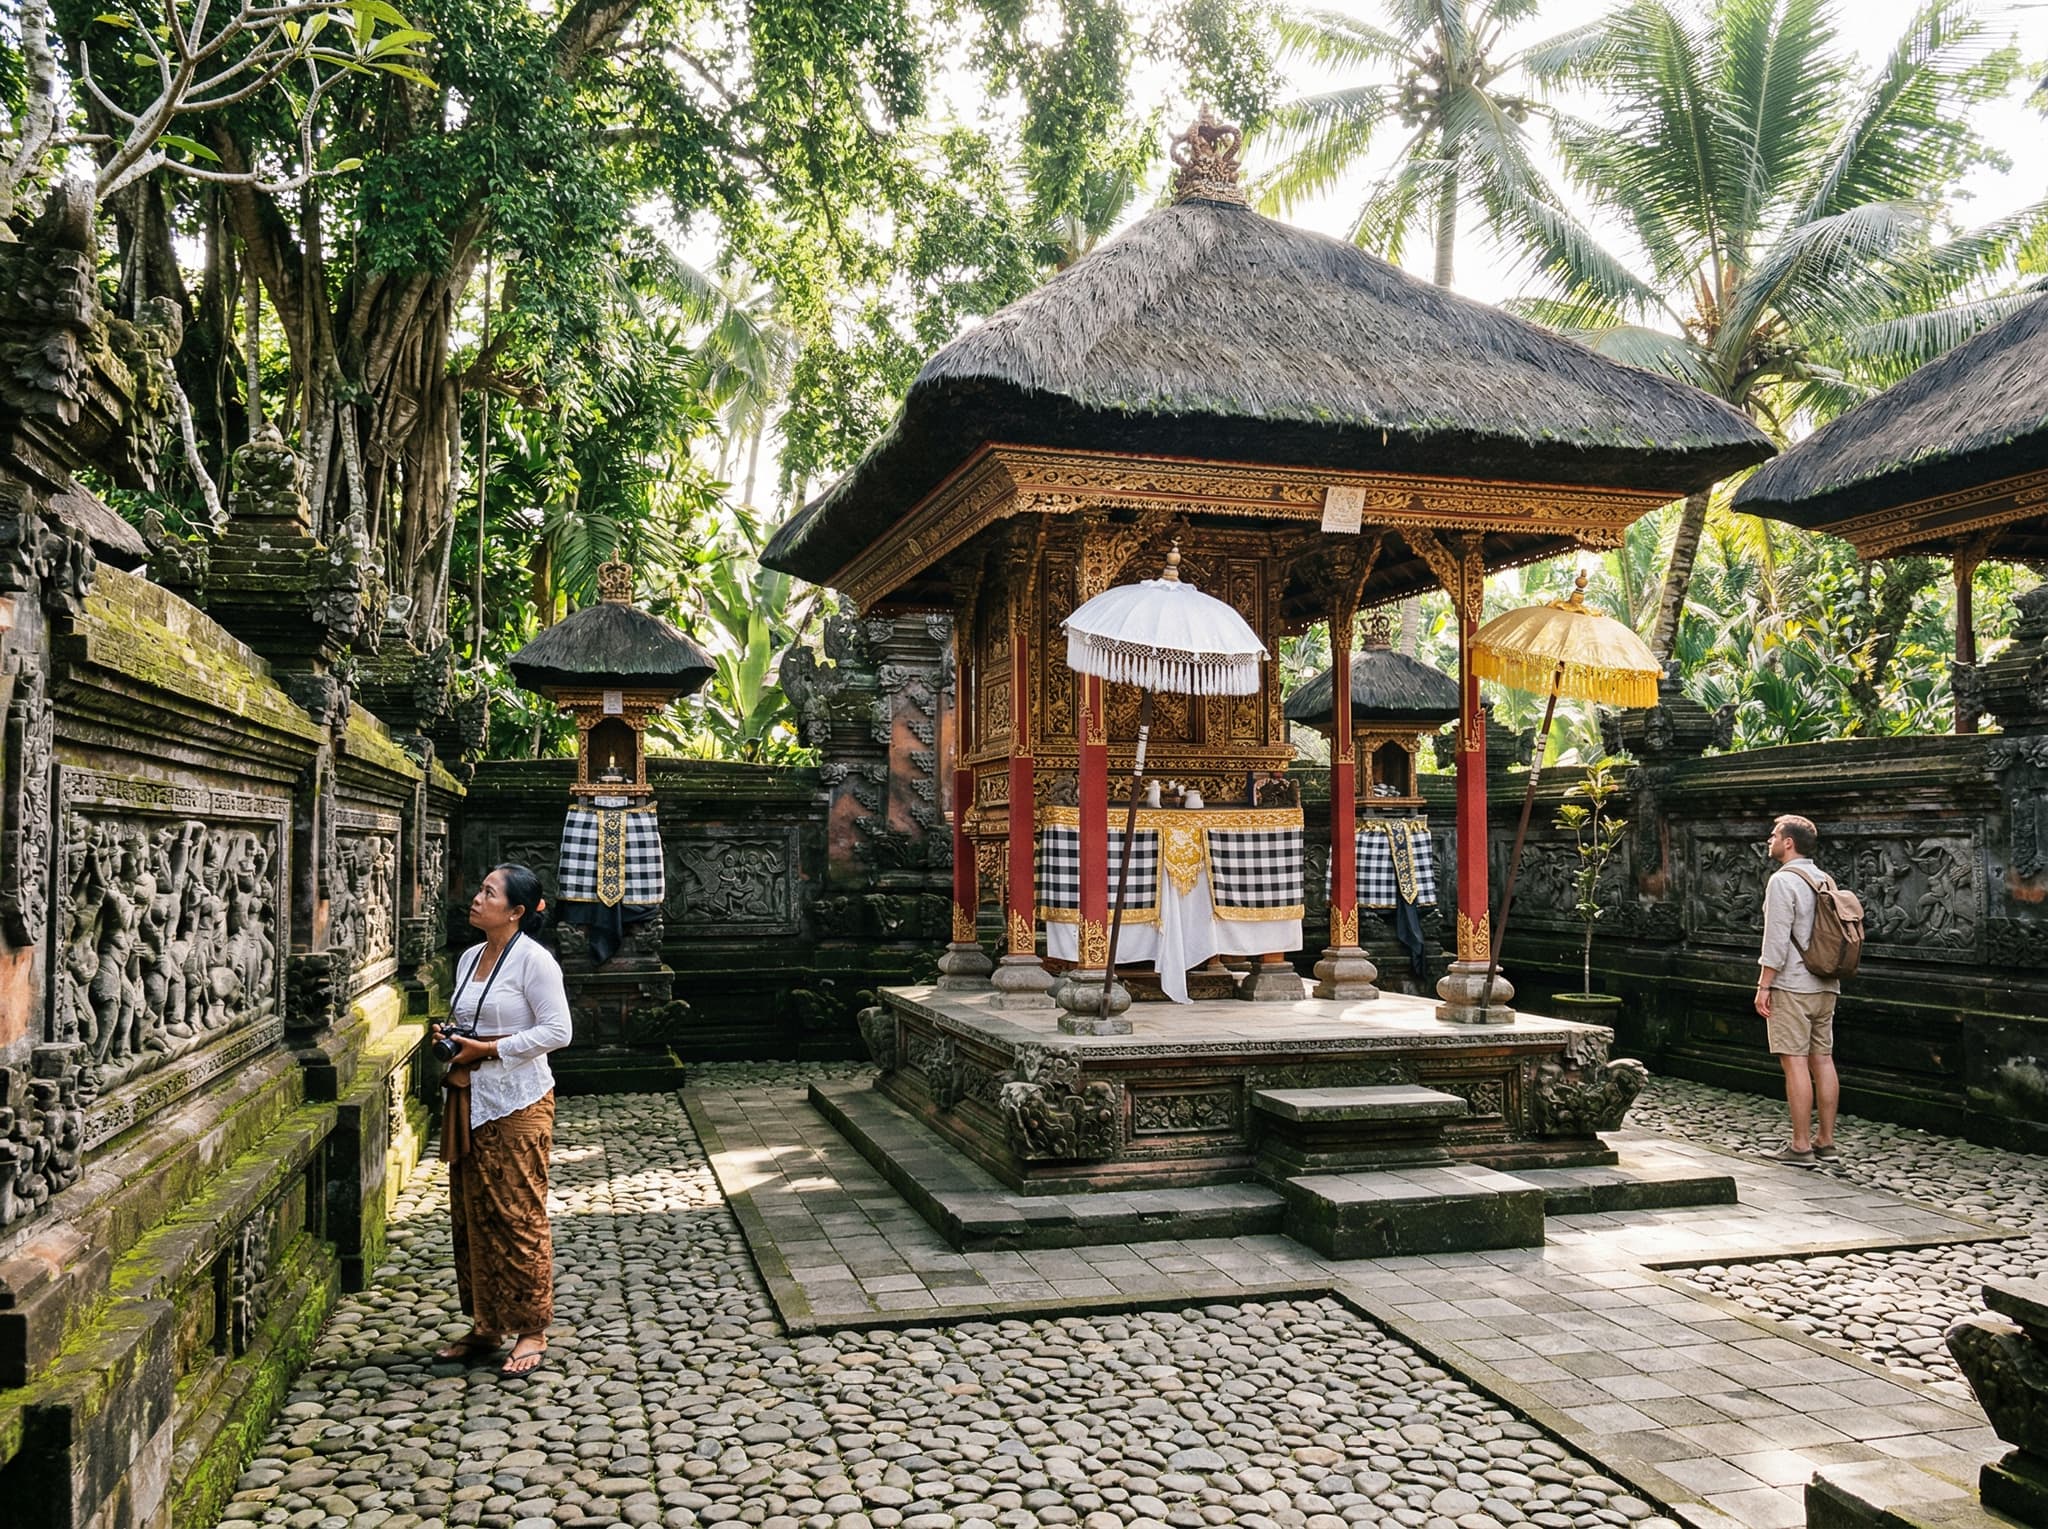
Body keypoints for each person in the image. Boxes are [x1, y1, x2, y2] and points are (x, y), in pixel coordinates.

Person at [433, 863, 571, 1379]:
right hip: (471, 1099)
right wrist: (450, 1036)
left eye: (488, 893)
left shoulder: (535, 962)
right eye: (479, 888)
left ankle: (531, 1327)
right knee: (472, 1214)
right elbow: (471, 1018)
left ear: (514, 911)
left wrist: (491, 1049)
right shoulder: (470, 957)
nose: (476, 898)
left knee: (518, 1213)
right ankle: (487, 1323)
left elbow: (559, 1030)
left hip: (518, 1101)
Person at [1754, 815, 1840, 1168]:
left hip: (1792, 985)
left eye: (1774, 835)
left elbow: (1776, 939)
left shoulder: (1782, 881)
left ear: (1789, 842)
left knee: (1795, 1065)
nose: (1769, 840)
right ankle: (1827, 1141)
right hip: (1826, 984)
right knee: (1823, 1060)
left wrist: (1764, 984)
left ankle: (1801, 1145)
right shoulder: (1825, 879)